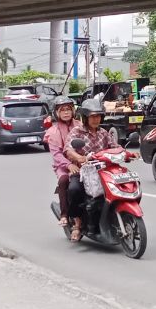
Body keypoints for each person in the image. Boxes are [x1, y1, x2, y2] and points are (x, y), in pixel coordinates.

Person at [64, 98, 121, 240]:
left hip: (103, 171)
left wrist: (127, 153)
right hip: (82, 171)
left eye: (98, 116)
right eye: (93, 116)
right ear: (85, 117)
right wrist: (79, 158)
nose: (96, 119)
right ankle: (77, 224)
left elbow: (115, 147)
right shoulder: (77, 132)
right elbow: (68, 149)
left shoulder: (103, 132)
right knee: (74, 190)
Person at [44, 96, 80, 227]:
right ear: (57, 113)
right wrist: (69, 164)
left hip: (82, 163)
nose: (66, 112)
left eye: (68, 109)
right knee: (64, 181)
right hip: (63, 166)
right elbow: (57, 155)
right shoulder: (53, 132)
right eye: (62, 110)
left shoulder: (80, 125)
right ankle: (64, 214)